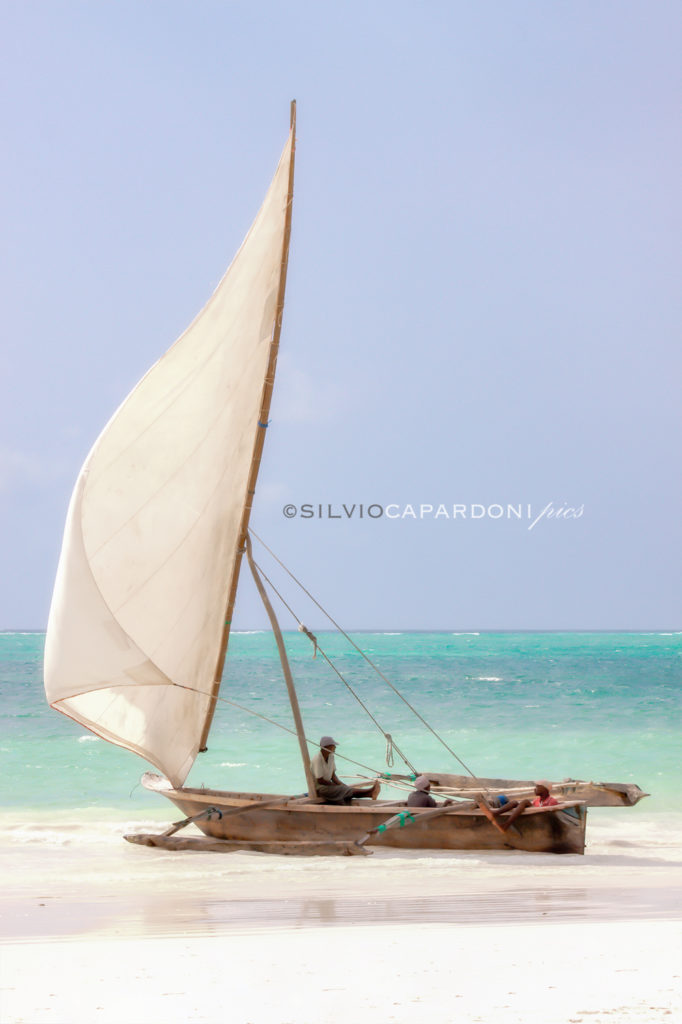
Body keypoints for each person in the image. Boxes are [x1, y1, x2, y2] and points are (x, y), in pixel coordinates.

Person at [311, 736, 381, 805]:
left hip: (328, 785)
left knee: (344, 789)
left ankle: (369, 794)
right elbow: (320, 780)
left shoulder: (331, 756)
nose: (335, 747)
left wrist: (341, 785)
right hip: (320, 788)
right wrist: (335, 786)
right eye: (333, 746)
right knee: (344, 790)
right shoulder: (317, 758)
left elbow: (333, 776)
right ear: (327, 747)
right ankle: (370, 792)